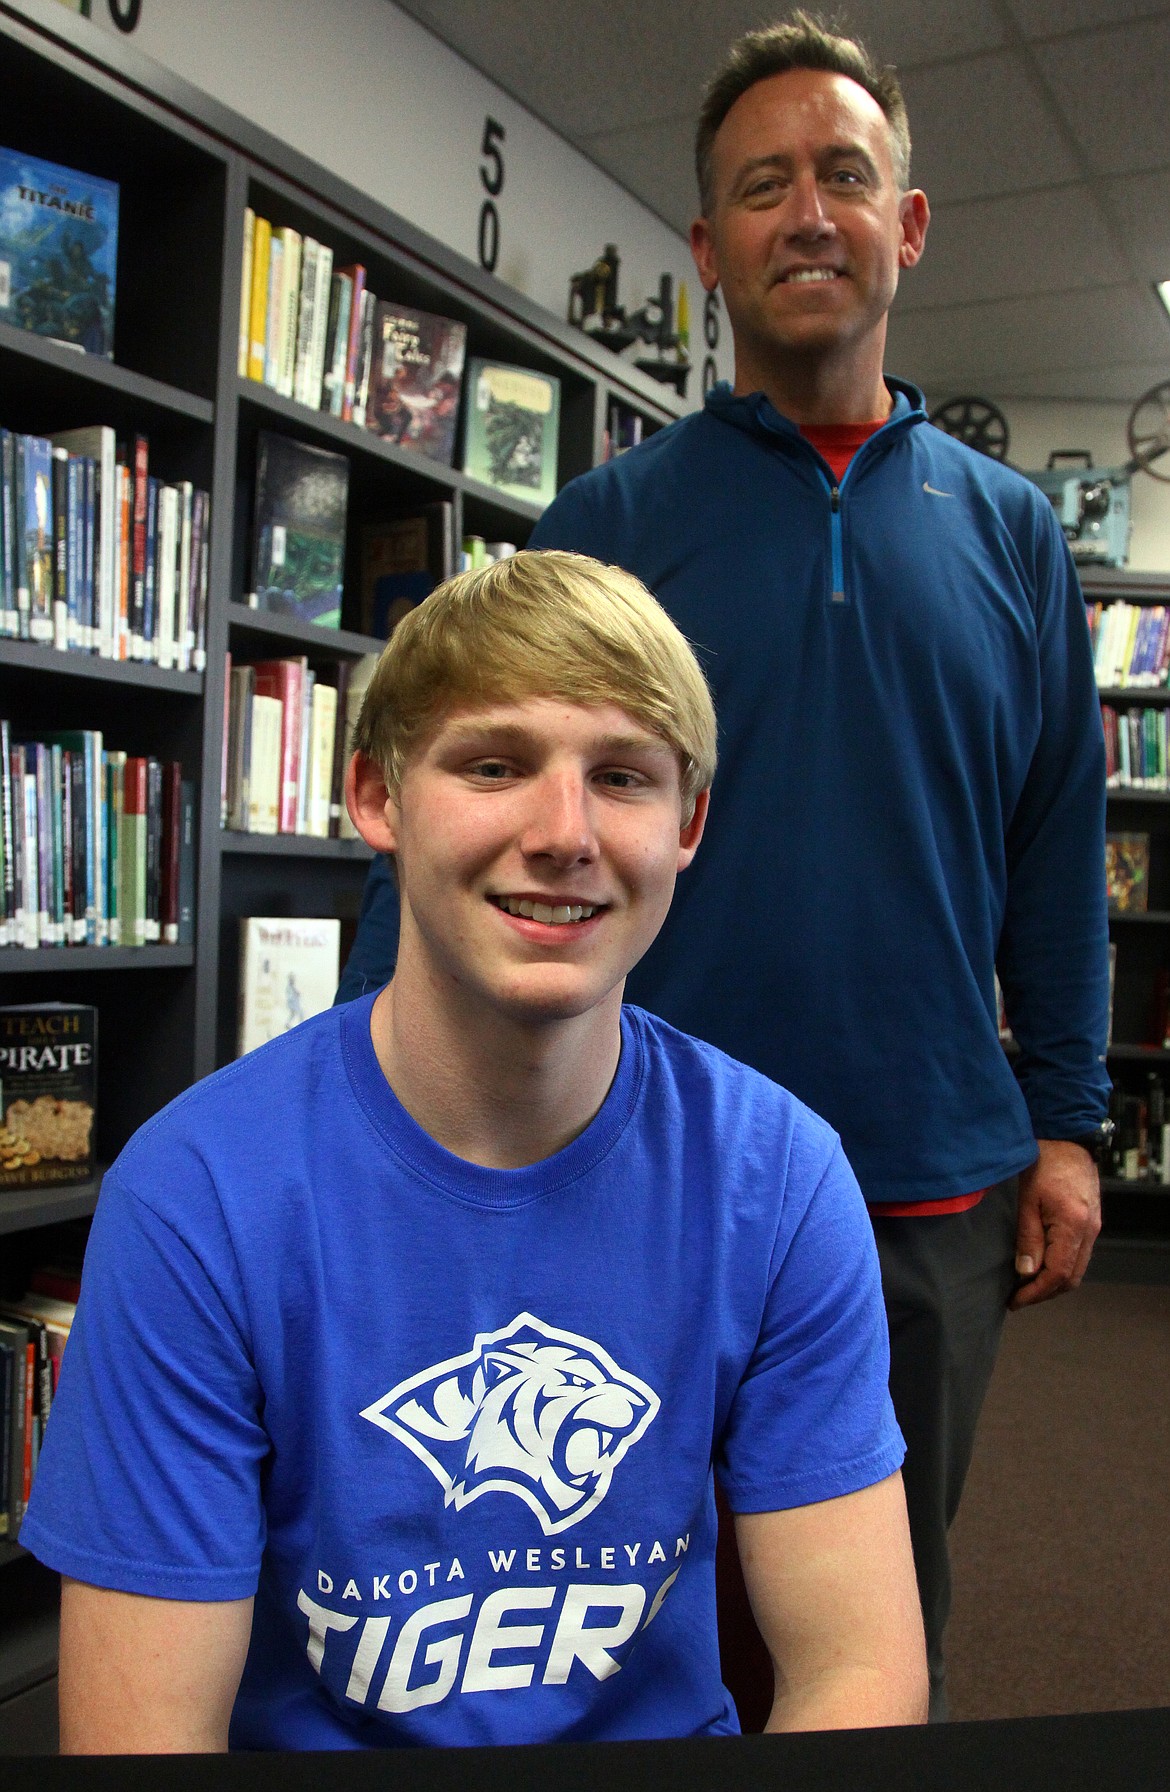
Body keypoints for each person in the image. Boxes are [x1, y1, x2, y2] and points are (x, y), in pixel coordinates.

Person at [337, 16, 1112, 1720]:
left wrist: (1066, 1119)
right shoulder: (615, 519)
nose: (807, 212)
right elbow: (474, 810)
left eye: (845, 175)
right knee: (617, 1599)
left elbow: (1056, 847)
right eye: (763, 187)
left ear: (907, 225)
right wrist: (362, 1101)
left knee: (878, 1598)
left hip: (927, 1180)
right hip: (637, 1176)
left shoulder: (1012, 539)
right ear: (710, 251)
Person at [23, 551, 927, 1752]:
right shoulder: (197, 1196)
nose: (565, 834)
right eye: (494, 766)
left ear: (689, 822)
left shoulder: (782, 1181)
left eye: (621, 776)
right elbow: (145, 1744)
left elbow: (858, 1673)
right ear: (378, 797)